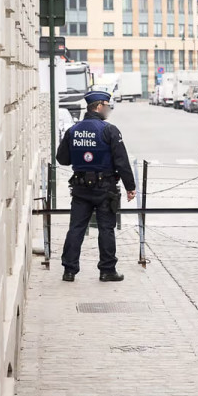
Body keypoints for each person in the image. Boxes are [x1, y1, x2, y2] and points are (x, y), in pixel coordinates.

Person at [57, 90, 136, 282]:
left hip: (80, 187)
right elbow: (121, 161)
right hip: (105, 188)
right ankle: (107, 270)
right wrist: (130, 187)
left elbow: (62, 159)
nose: (108, 110)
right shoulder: (109, 130)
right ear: (99, 106)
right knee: (106, 228)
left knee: (76, 228)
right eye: (107, 106)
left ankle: (69, 270)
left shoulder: (73, 130)